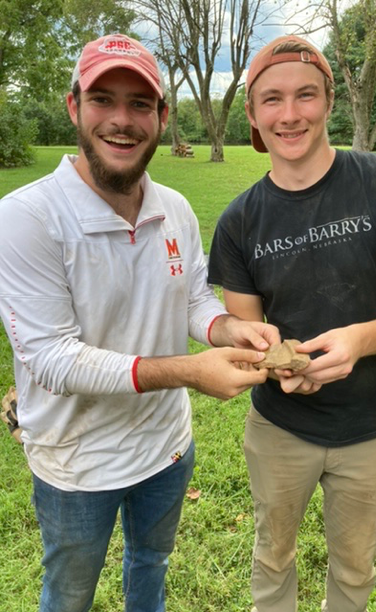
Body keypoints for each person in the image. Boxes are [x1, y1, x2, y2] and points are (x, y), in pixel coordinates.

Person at [0, 34, 280, 612]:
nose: (122, 121)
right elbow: (52, 358)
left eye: (140, 104)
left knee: (150, 566)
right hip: (76, 459)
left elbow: (191, 300)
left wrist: (231, 330)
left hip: (167, 448)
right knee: (70, 594)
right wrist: (190, 371)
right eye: (104, 99)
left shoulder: (173, 207)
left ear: (161, 116)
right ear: (75, 106)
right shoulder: (26, 217)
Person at [208, 34, 376, 612]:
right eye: (271, 99)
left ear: (329, 100)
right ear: (251, 112)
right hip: (280, 429)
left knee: (355, 569)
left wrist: (360, 339)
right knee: (272, 557)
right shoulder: (238, 221)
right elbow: (249, 337)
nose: (289, 115)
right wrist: (276, 368)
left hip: (371, 427)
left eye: (304, 95)